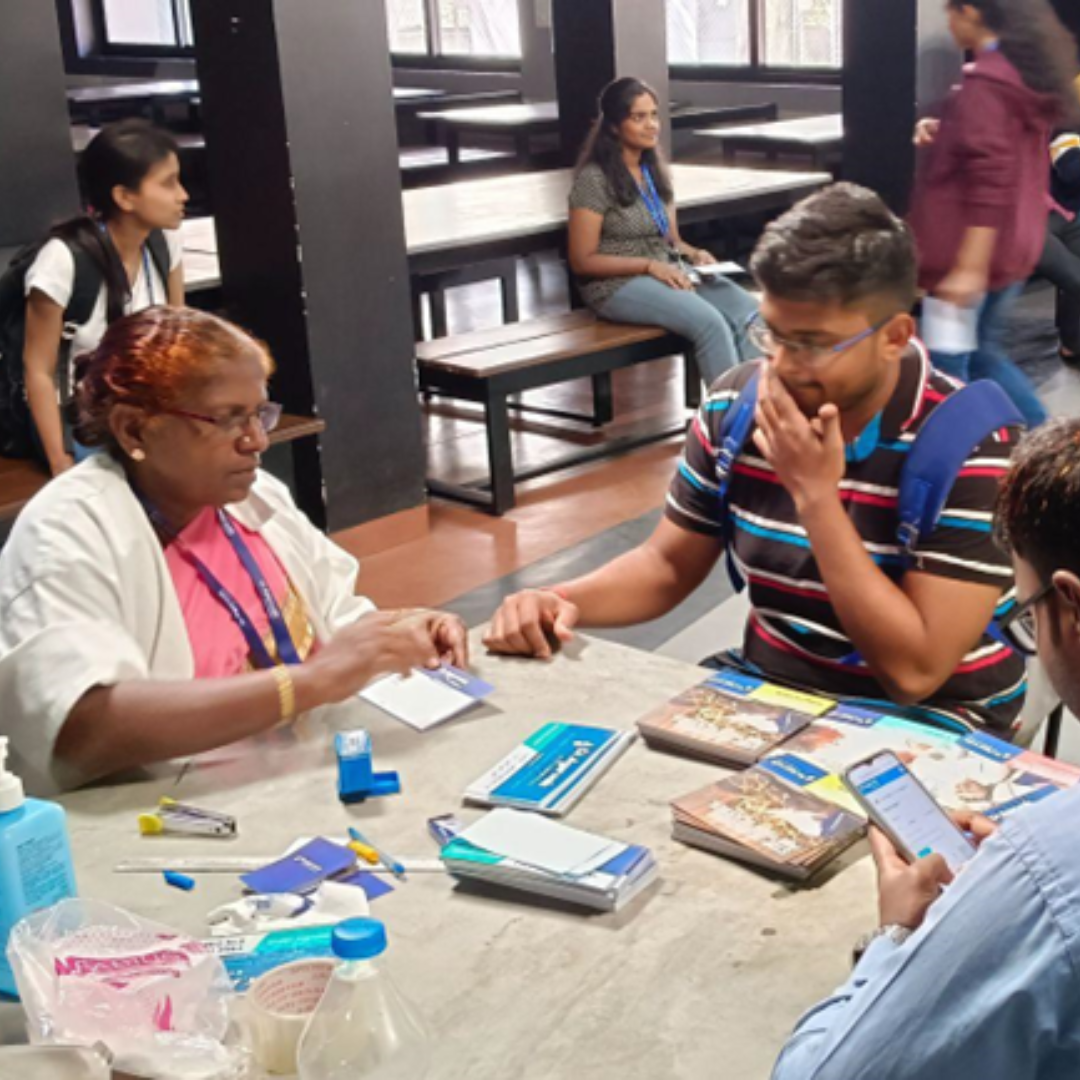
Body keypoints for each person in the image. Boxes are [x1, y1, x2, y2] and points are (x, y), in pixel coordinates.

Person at [485, 183, 1027, 736]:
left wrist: (816, 499)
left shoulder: (976, 448)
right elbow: (668, 566)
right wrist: (556, 600)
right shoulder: (736, 406)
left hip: (934, 716)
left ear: (893, 336)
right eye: (772, 334)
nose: (785, 366)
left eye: (813, 343)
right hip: (771, 687)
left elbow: (915, 672)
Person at [0, 306, 467, 794]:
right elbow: (84, 729)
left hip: (293, 781)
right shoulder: (68, 532)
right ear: (134, 429)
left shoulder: (252, 498)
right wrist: (307, 683)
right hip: (170, 818)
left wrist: (396, 633)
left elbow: (334, 616)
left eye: (259, 414)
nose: (257, 441)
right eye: (227, 420)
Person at [770, 417, 1080, 1080]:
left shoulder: (1050, 875)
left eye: (1026, 613)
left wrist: (901, 937)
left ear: (1070, 610)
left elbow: (827, 1074)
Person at [908, 0, 1079, 428]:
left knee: (948, 369)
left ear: (972, 12)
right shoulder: (1023, 79)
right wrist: (947, 132)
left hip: (968, 256)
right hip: (1013, 246)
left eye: (951, 11)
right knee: (983, 356)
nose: (947, 22)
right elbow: (1005, 153)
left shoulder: (986, 83)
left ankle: (965, 458)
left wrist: (968, 266)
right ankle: (1053, 448)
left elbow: (991, 178)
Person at [567, 76, 760, 384]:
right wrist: (647, 265)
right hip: (615, 284)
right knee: (710, 323)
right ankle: (724, 423)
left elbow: (671, 240)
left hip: (667, 269)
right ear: (615, 126)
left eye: (654, 115)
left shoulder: (654, 173)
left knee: (749, 311)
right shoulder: (594, 179)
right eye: (638, 117)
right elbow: (582, 260)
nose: (651, 125)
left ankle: (757, 409)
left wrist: (695, 253)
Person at [23, 119, 188, 477]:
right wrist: (58, 461)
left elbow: (179, 338)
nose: (183, 195)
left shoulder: (163, 244)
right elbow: (37, 371)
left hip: (147, 415)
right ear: (124, 197)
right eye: (168, 183)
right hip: (83, 424)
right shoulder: (63, 260)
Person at [1035, 131, 1080, 362]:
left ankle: (1073, 343)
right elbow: (1071, 169)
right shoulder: (1066, 129)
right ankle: (1072, 344)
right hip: (1049, 218)